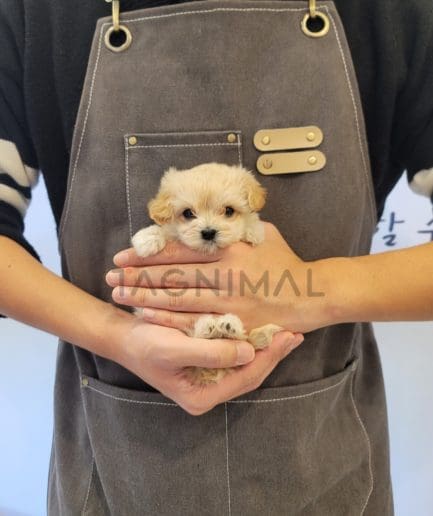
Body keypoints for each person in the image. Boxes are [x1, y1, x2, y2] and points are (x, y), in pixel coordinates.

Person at [0, 0, 432, 514]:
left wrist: (308, 291)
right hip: (113, 463)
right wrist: (118, 336)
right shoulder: (36, 13)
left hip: (324, 460)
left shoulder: (392, 13)